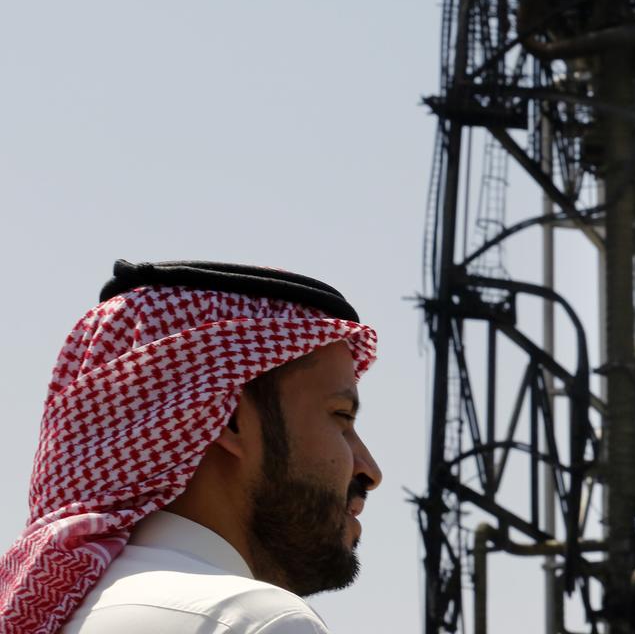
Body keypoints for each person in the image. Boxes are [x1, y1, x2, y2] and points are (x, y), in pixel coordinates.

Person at [0, 260, 382, 634]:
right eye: (342, 417)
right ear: (229, 418)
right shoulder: (254, 620)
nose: (369, 469)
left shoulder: (42, 612)